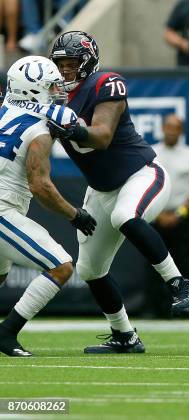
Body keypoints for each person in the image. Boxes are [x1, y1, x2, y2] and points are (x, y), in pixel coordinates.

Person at [47, 31, 189, 354]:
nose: (64, 72)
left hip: (142, 175)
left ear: (87, 63)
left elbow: (101, 136)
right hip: (101, 190)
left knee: (124, 215)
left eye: (71, 64)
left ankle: (179, 284)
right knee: (89, 269)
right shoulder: (50, 98)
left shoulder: (105, 84)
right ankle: (125, 335)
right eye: (59, 65)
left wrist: (67, 124)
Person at [0, 56, 96, 356]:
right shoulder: (37, 129)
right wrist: (74, 214)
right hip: (3, 209)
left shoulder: (4, 110)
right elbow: (40, 186)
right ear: (32, 90)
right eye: (51, 85)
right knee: (61, 266)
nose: (58, 90)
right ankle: (6, 333)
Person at [151, 114, 189, 311]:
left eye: (176, 127)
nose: (171, 131)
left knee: (185, 262)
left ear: (181, 131)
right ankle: (156, 308)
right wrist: (158, 215)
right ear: (163, 129)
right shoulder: (152, 153)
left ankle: (188, 306)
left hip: (183, 219)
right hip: (155, 216)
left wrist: (179, 214)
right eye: (168, 127)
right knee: (154, 261)